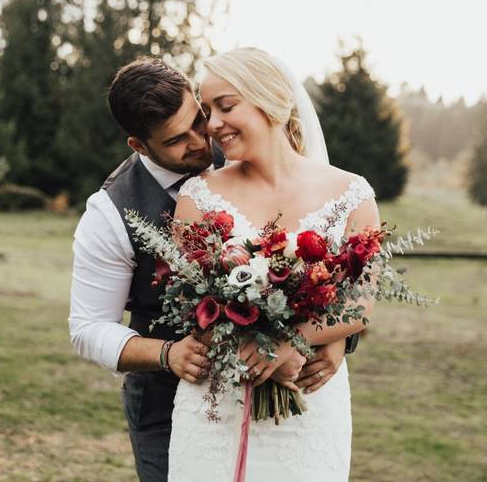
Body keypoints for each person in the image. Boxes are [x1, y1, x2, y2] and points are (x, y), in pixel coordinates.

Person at [68, 58, 354, 482]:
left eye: (197, 120)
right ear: (140, 146)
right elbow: (88, 328)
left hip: (286, 381)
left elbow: (319, 243)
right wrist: (168, 353)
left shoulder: (242, 141)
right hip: (172, 395)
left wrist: (336, 338)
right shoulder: (109, 212)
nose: (202, 141)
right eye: (176, 140)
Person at [169, 47, 379, 481]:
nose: (213, 124)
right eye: (208, 110)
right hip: (218, 405)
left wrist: (294, 341)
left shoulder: (352, 194)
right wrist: (258, 340)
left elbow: (360, 303)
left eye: (226, 106)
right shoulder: (198, 197)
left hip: (307, 403)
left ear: (273, 101)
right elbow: (193, 307)